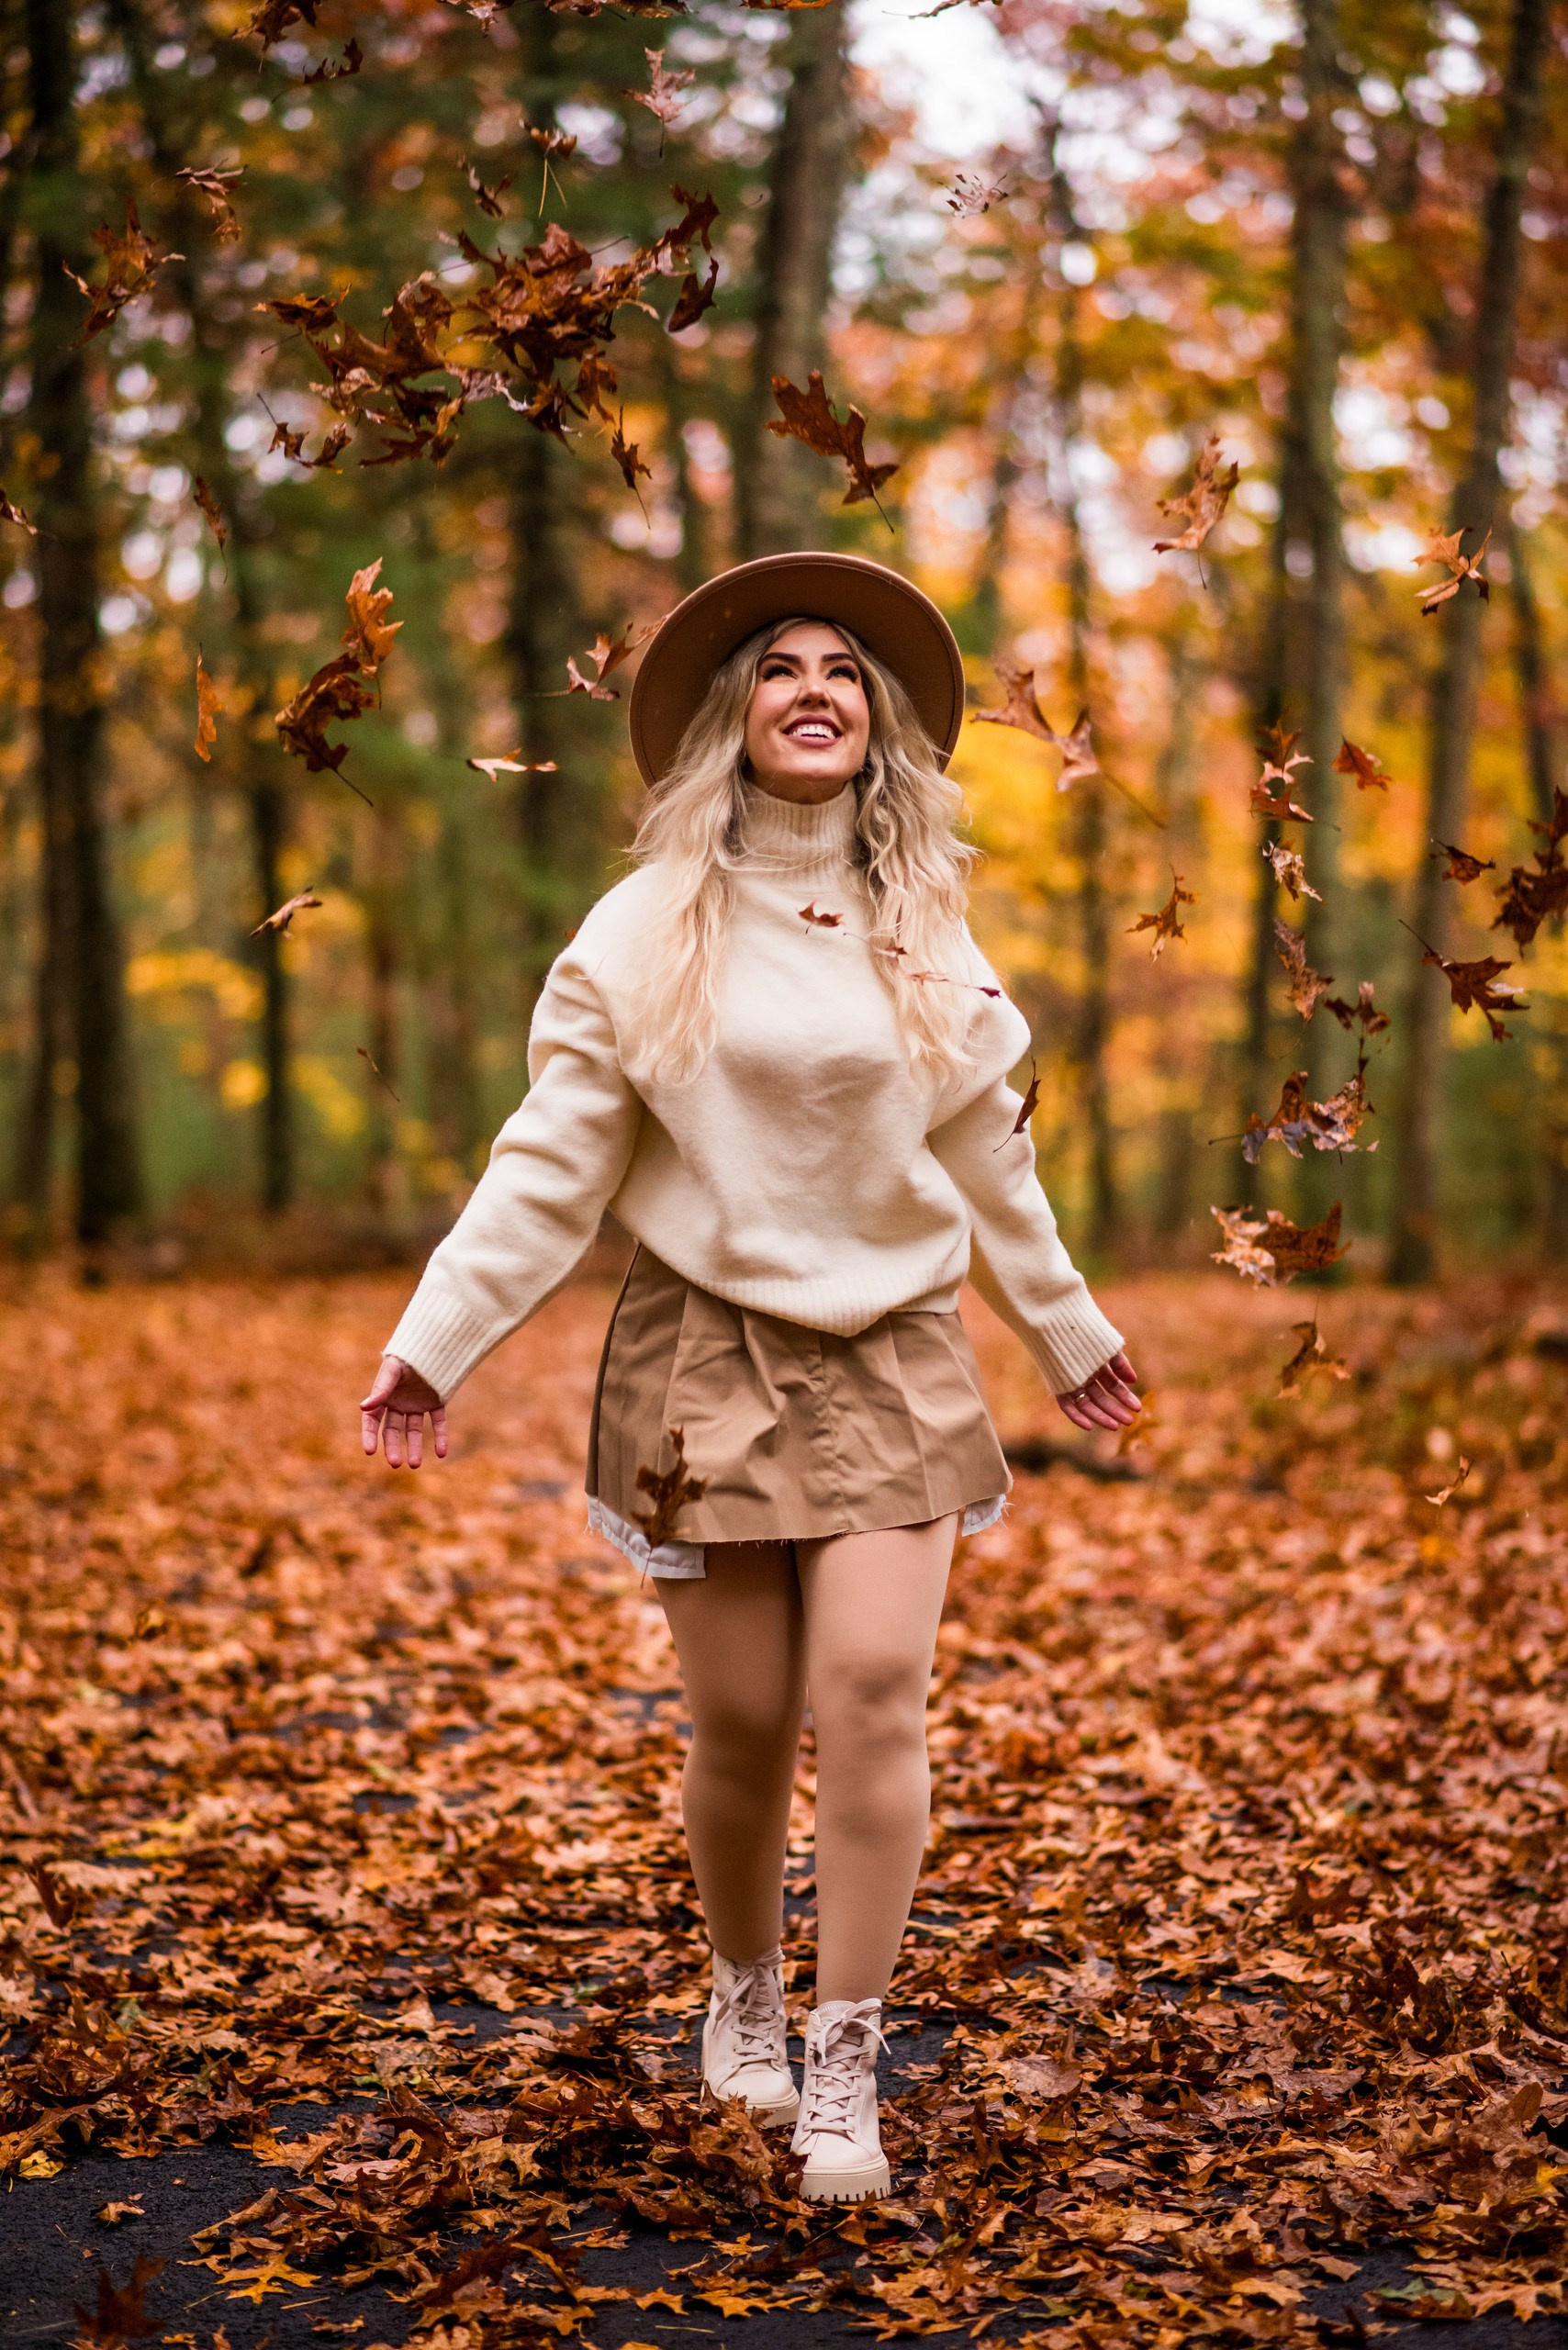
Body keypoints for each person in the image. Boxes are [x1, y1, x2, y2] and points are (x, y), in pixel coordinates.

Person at [361, 551, 1139, 2204]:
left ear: (878, 724)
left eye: (843, 670)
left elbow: (990, 1160)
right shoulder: (647, 928)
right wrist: (434, 1343)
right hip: (701, 1346)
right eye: (781, 666)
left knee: (873, 1689)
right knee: (740, 1716)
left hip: (895, 1343)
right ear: (733, 713)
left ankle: (847, 2057)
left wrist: (1066, 1328)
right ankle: (744, 1989)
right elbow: (551, 1165)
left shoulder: (925, 924)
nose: (814, 689)